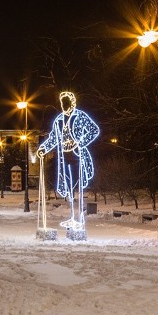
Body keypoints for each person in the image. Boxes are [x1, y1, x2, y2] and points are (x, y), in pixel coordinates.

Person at [37, 91, 99, 231]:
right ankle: (72, 217)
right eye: (62, 103)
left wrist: (80, 142)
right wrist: (43, 149)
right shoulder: (59, 120)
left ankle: (79, 218)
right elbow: (53, 138)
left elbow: (93, 130)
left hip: (77, 155)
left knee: (78, 186)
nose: (64, 105)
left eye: (66, 103)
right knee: (69, 188)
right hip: (63, 156)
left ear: (72, 103)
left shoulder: (80, 116)